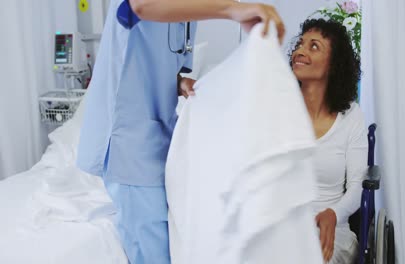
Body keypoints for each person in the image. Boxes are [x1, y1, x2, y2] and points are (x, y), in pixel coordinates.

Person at [76, 1, 285, 263]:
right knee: (155, 253)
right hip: (129, 144)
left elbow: (162, 66)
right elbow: (141, 6)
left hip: (163, 141)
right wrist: (233, 9)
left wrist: (180, 83)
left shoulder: (186, 16)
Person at [289, 18, 367, 263]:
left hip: (330, 226)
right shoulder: (278, 108)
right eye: (300, 44)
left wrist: (335, 213)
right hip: (280, 222)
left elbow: (358, 184)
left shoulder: (350, 116)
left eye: (314, 46)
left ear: (334, 65)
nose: (300, 51)